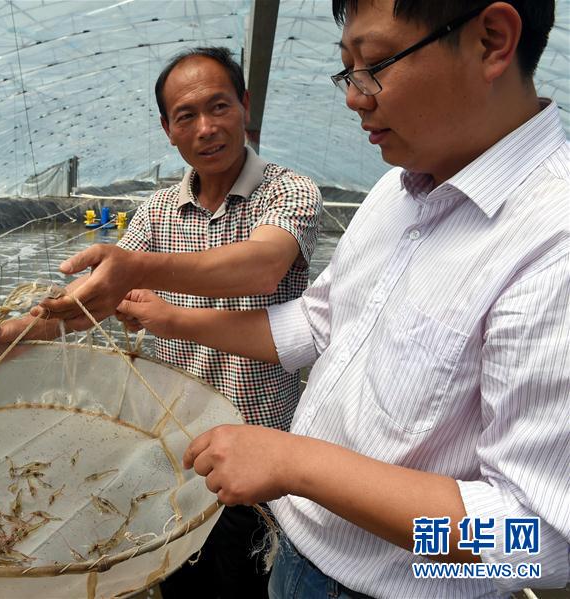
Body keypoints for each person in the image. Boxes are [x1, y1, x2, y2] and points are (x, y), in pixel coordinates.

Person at [113, 1, 569, 597]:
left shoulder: (552, 244)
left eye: (375, 64)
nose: (354, 96)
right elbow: (316, 323)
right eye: (347, 69)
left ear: (491, 41)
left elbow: (538, 546)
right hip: (295, 556)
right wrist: (171, 319)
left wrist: (295, 463)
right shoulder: (395, 192)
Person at [0, 47, 322, 598]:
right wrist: (11, 333)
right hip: (174, 452)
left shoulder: (288, 191)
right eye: (186, 116)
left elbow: (262, 266)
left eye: (219, 106)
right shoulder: (156, 211)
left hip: (257, 458)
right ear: (167, 130)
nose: (206, 128)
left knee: (244, 584)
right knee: (177, 582)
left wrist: (139, 269)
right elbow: (91, 300)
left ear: (245, 106)